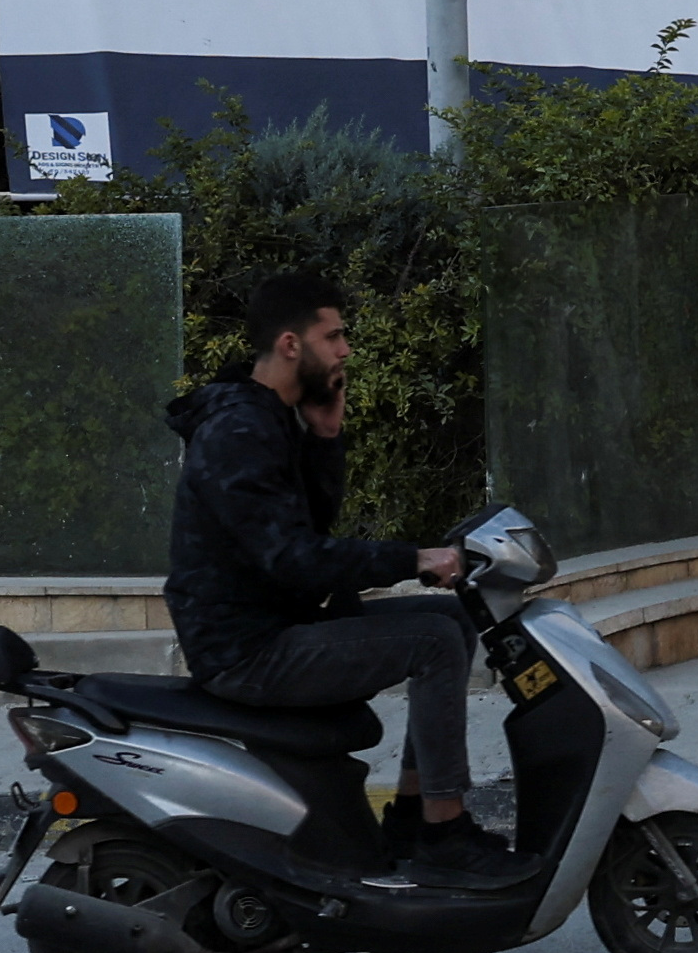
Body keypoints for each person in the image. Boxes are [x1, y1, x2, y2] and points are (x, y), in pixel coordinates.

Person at [161, 273, 499, 880]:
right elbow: (293, 557)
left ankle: (416, 813)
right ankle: (443, 833)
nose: (345, 350)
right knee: (434, 640)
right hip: (247, 652)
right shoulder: (238, 431)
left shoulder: (269, 417)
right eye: (334, 335)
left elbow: (306, 529)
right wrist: (412, 559)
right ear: (292, 344)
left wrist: (324, 437)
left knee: (448, 619)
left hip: (278, 625)